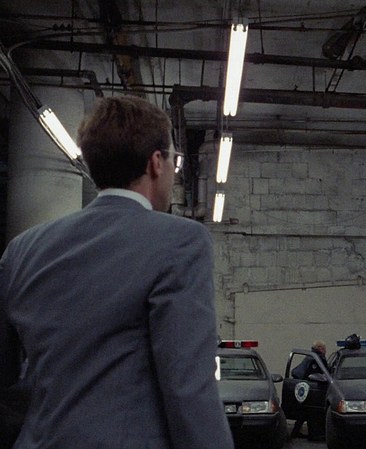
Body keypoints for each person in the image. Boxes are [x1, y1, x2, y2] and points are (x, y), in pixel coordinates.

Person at [0, 96, 234, 449]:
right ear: (156, 162)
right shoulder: (180, 242)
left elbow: (7, 379)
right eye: (173, 160)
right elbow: (188, 385)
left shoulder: (21, 250)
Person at [290, 340, 327, 440]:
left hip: (305, 387)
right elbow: (314, 374)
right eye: (324, 348)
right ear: (320, 348)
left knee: (304, 411)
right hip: (312, 388)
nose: (325, 350)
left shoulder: (311, 356)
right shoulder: (316, 359)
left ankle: (295, 432)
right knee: (311, 411)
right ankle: (313, 434)